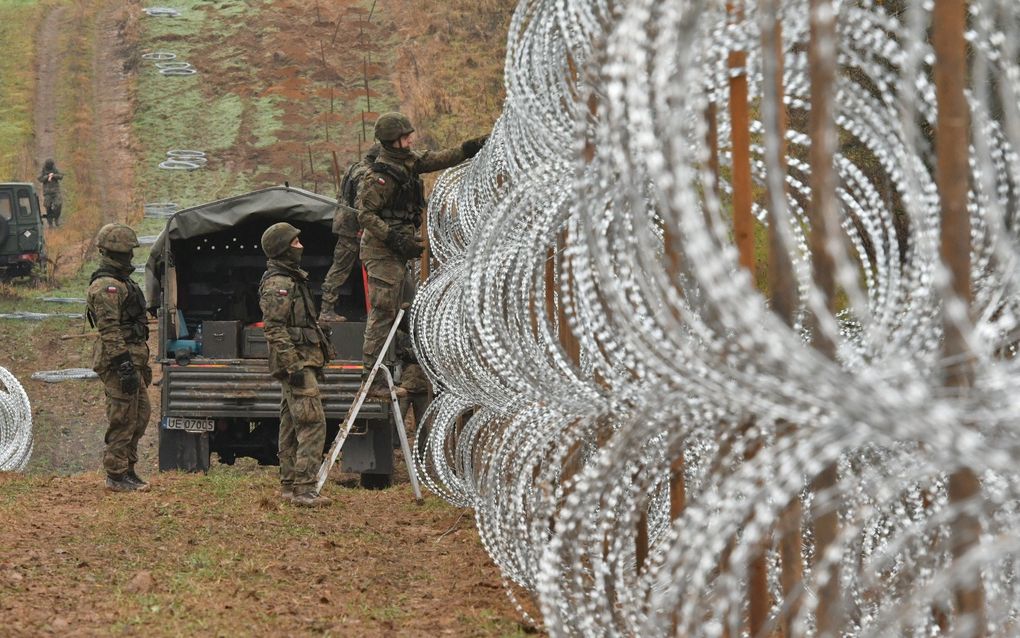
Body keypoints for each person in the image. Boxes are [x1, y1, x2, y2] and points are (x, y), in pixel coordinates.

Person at [356, 111, 486, 397]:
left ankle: (415, 370)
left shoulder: (408, 162)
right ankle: (372, 380)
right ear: (394, 141)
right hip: (381, 253)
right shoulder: (379, 177)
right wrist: (395, 238)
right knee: (383, 313)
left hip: (397, 252)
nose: (410, 139)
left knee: (413, 311)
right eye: (406, 136)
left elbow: (439, 159)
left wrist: (471, 146)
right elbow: (365, 215)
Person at [259, 222, 335, 507]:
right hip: (297, 364)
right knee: (313, 423)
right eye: (295, 243)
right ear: (282, 249)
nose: (301, 247)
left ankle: (291, 485)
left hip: (303, 360)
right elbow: (274, 329)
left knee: (291, 424)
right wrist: (294, 367)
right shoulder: (279, 283)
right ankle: (304, 488)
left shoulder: (291, 279)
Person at [86, 223, 151, 492]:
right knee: (123, 417)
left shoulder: (121, 281)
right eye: (127, 251)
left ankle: (127, 468)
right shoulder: (106, 286)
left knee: (140, 414)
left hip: (132, 358)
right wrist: (124, 365)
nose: (131, 256)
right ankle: (116, 474)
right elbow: (110, 330)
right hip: (119, 361)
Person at [319, 144, 381, 323]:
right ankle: (327, 310)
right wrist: (364, 227)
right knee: (342, 269)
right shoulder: (365, 173)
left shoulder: (355, 167)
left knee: (342, 268)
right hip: (353, 229)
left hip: (345, 225)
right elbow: (363, 203)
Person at [37, 159, 64, 227]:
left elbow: (61, 176)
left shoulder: (54, 169)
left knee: (58, 204)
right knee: (48, 206)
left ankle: (56, 218)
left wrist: (54, 175)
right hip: (47, 192)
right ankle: (50, 223)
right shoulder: (43, 170)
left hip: (55, 191)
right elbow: (40, 178)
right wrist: (47, 176)